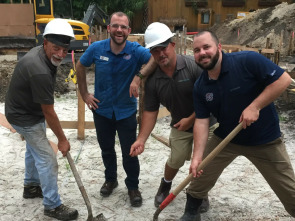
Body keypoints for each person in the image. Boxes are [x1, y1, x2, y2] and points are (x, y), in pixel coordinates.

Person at [178, 30, 295, 221]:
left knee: (290, 192)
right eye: (197, 50)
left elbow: (284, 80)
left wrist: (255, 106)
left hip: (265, 140)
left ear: (219, 47)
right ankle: (191, 211)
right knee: (199, 174)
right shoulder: (201, 86)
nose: (202, 53)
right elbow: (201, 120)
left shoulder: (247, 61)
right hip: (226, 138)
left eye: (206, 47)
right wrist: (197, 157)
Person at [129, 22, 216, 209]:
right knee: (176, 158)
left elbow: (211, 100)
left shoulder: (193, 67)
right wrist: (141, 139)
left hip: (207, 121)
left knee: (202, 161)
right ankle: (165, 185)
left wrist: (191, 119)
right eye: (155, 50)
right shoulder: (153, 81)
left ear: (173, 45)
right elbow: (150, 112)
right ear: (151, 53)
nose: (161, 54)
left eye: (164, 48)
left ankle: (200, 193)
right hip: (180, 125)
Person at [76, 12, 156, 207]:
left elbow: (154, 59)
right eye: (115, 26)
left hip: (126, 111)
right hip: (101, 110)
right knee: (106, 149)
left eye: (123, 27)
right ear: (109, 28)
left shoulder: (135, 50)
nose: (119, 30)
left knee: (130, 151)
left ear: (129, 31)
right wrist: (85, 94)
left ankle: (133, 186)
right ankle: (111, 179)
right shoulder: (96, 49)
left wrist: (138, 77)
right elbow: (80, 66)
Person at [5, 18, 78, 220]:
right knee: (47, 158)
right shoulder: (39, 70)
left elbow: (45, 110)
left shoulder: (42, 54)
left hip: (25, 109)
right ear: (45, 43)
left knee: (33, 147)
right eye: (56, 48)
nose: (61, 54)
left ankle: (31, 187)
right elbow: (49, 112)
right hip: (24, 115)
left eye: (64, 50)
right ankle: (52, 206)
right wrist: (62, 140)